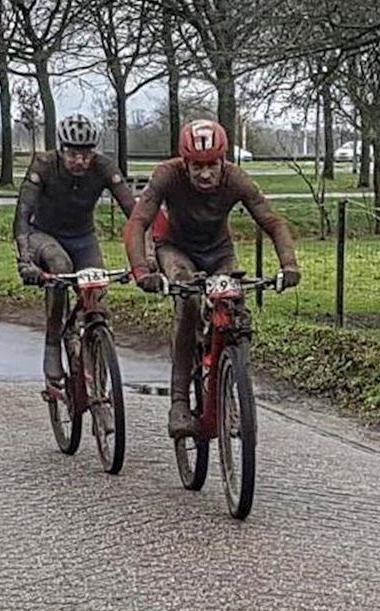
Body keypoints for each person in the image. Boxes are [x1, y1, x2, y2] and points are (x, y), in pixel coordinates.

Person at [122, 119, 301, 439]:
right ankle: (178, 402)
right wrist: (141, 270)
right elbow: (137, 223)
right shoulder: (166, 175)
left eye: (213, 165)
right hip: (175, 249)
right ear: (185, 162)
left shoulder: (236, 179)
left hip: (219, 251)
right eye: (197, 166)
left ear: (224, 160)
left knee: (234, 307)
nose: (205, 174)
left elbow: (272, 221)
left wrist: (289, 264)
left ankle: (232, 383)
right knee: (189, 301)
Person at [13, 114, 136, 386]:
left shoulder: (104, 167)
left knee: (97, 295)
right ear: (61, 149)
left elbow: (135, 215)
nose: (80, 161)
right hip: (43, 234)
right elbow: (22, 216)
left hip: (83, 238)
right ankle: (53, 344)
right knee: (59, 266)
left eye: (86, 154)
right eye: (72, 154)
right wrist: (25, 261)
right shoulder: (44, 165)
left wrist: (145, 259)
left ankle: (98, 369)